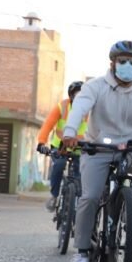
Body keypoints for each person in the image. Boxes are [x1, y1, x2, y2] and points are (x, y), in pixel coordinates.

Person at [62, 41, 132, 262]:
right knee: (91, 197)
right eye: (123, 61)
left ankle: (130, 207)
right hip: (97, 149)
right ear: (112, 63)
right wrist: (69, 132)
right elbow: (80, 108)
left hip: (131, 151)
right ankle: (82, 254)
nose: (128, 66)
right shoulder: (95, 86)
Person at [36, 81, 88, 211]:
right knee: (59, 165)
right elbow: (48, 125)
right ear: (71, 95)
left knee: (80, 174)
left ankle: (79, 202)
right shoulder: (62, 106)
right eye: (77, 94)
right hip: (60, 147)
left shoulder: (90, 110)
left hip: (80, 148)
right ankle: (54, 196)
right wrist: (41, 142)